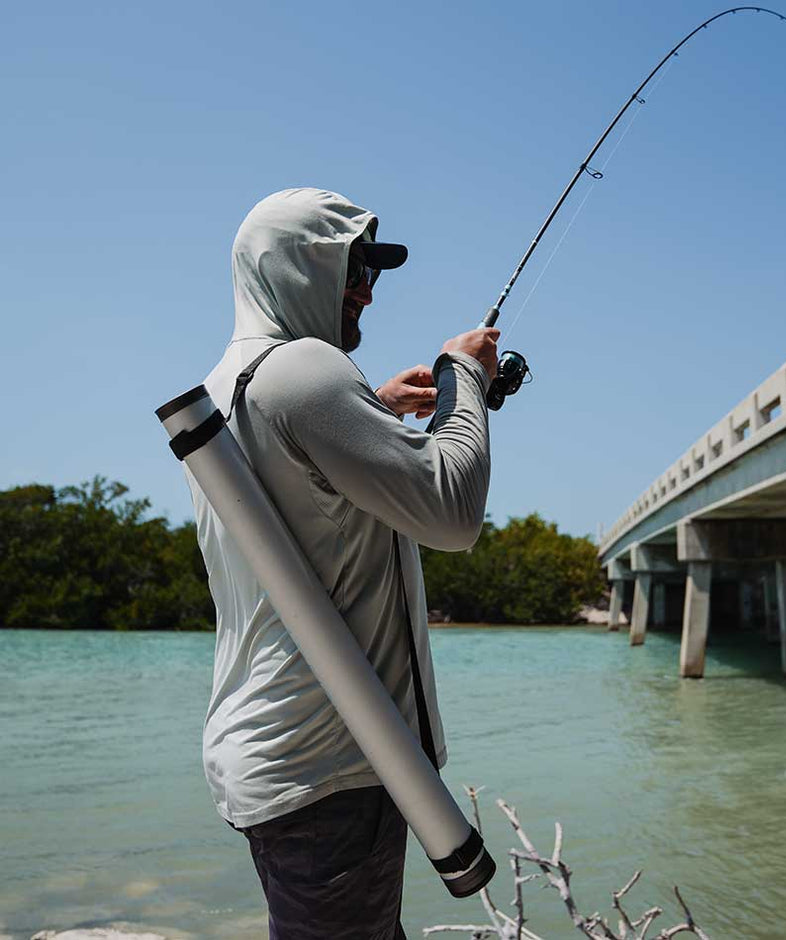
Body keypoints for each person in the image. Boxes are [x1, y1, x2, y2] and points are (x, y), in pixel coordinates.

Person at [183, 188, 498, 940]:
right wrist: (467, 381)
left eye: (373, 270)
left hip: (283, 753)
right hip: (332, 765)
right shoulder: (306, 372)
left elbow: (297, 497)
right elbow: (452, 513)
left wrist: (376, 410)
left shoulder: (227, 386)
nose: (365, 287)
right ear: (292, 267)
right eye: (351, 264)